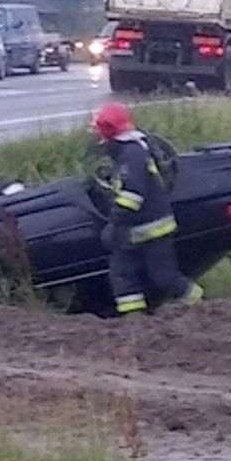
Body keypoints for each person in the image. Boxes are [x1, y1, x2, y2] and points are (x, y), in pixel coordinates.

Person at [92, 102, 203, 315]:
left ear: (108, 129)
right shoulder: (130, 150)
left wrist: (113, 223)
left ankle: (203, 309)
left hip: (150, 229)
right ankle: (135, 322)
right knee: (122, 275)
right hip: (134, 231)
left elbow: (132, 196)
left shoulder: (131, 154)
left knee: (164, 278)